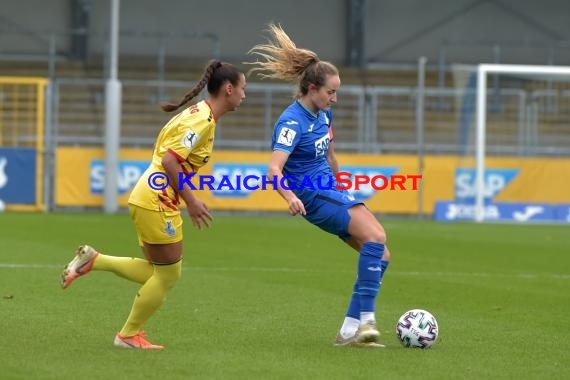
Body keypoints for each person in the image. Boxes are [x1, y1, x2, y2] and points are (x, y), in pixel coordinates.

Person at [60, 59, 247, 349]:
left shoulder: (198, 114)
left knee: (159, 270)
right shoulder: (202, 119)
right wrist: (193, 200)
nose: (245, 95)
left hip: (149, 194)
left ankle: (95, 261)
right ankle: (127, 335)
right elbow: (170, 160)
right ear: (228, 89)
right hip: (156, 198)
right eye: (243, 88)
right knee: (169, 274)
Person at [245, 24, 391, 348]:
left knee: (380, 256)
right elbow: (273, 169)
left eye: (336, 92)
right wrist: (289, 196)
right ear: (312, 89)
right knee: (377, 236)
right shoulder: (291, 121)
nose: (334, 98)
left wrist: (342, 184)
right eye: (330, 92)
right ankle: (367, 323)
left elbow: (331, 153)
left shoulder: (323, 115)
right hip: (312, 195)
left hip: (331, 189)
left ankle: (348, 333)